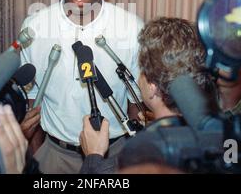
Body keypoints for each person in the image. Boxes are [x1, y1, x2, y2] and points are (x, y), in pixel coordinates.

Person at [20, 0, 144, 173]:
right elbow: (32, 100)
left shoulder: (130, 28)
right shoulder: (35, 27)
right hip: (55, 154)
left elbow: (135, 100)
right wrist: (37, 155)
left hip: (114, 155)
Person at [79, 17, 214, 173]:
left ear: (152, 87)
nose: (139, 77)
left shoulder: (130, 166)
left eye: (142, 71)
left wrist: (93, 157)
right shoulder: (221, 137)